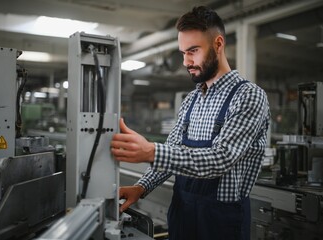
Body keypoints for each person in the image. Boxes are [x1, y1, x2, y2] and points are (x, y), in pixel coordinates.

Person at [111, 5, 270, 240]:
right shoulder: (192, 99)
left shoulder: (248, 96)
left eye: (193, 50)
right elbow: (174, 151)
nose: (186, 61)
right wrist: (141, 187)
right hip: (183, 214)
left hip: (221, 222)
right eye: (183, 52)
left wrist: (152, 151)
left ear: (218, 44)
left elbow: (221, 159)